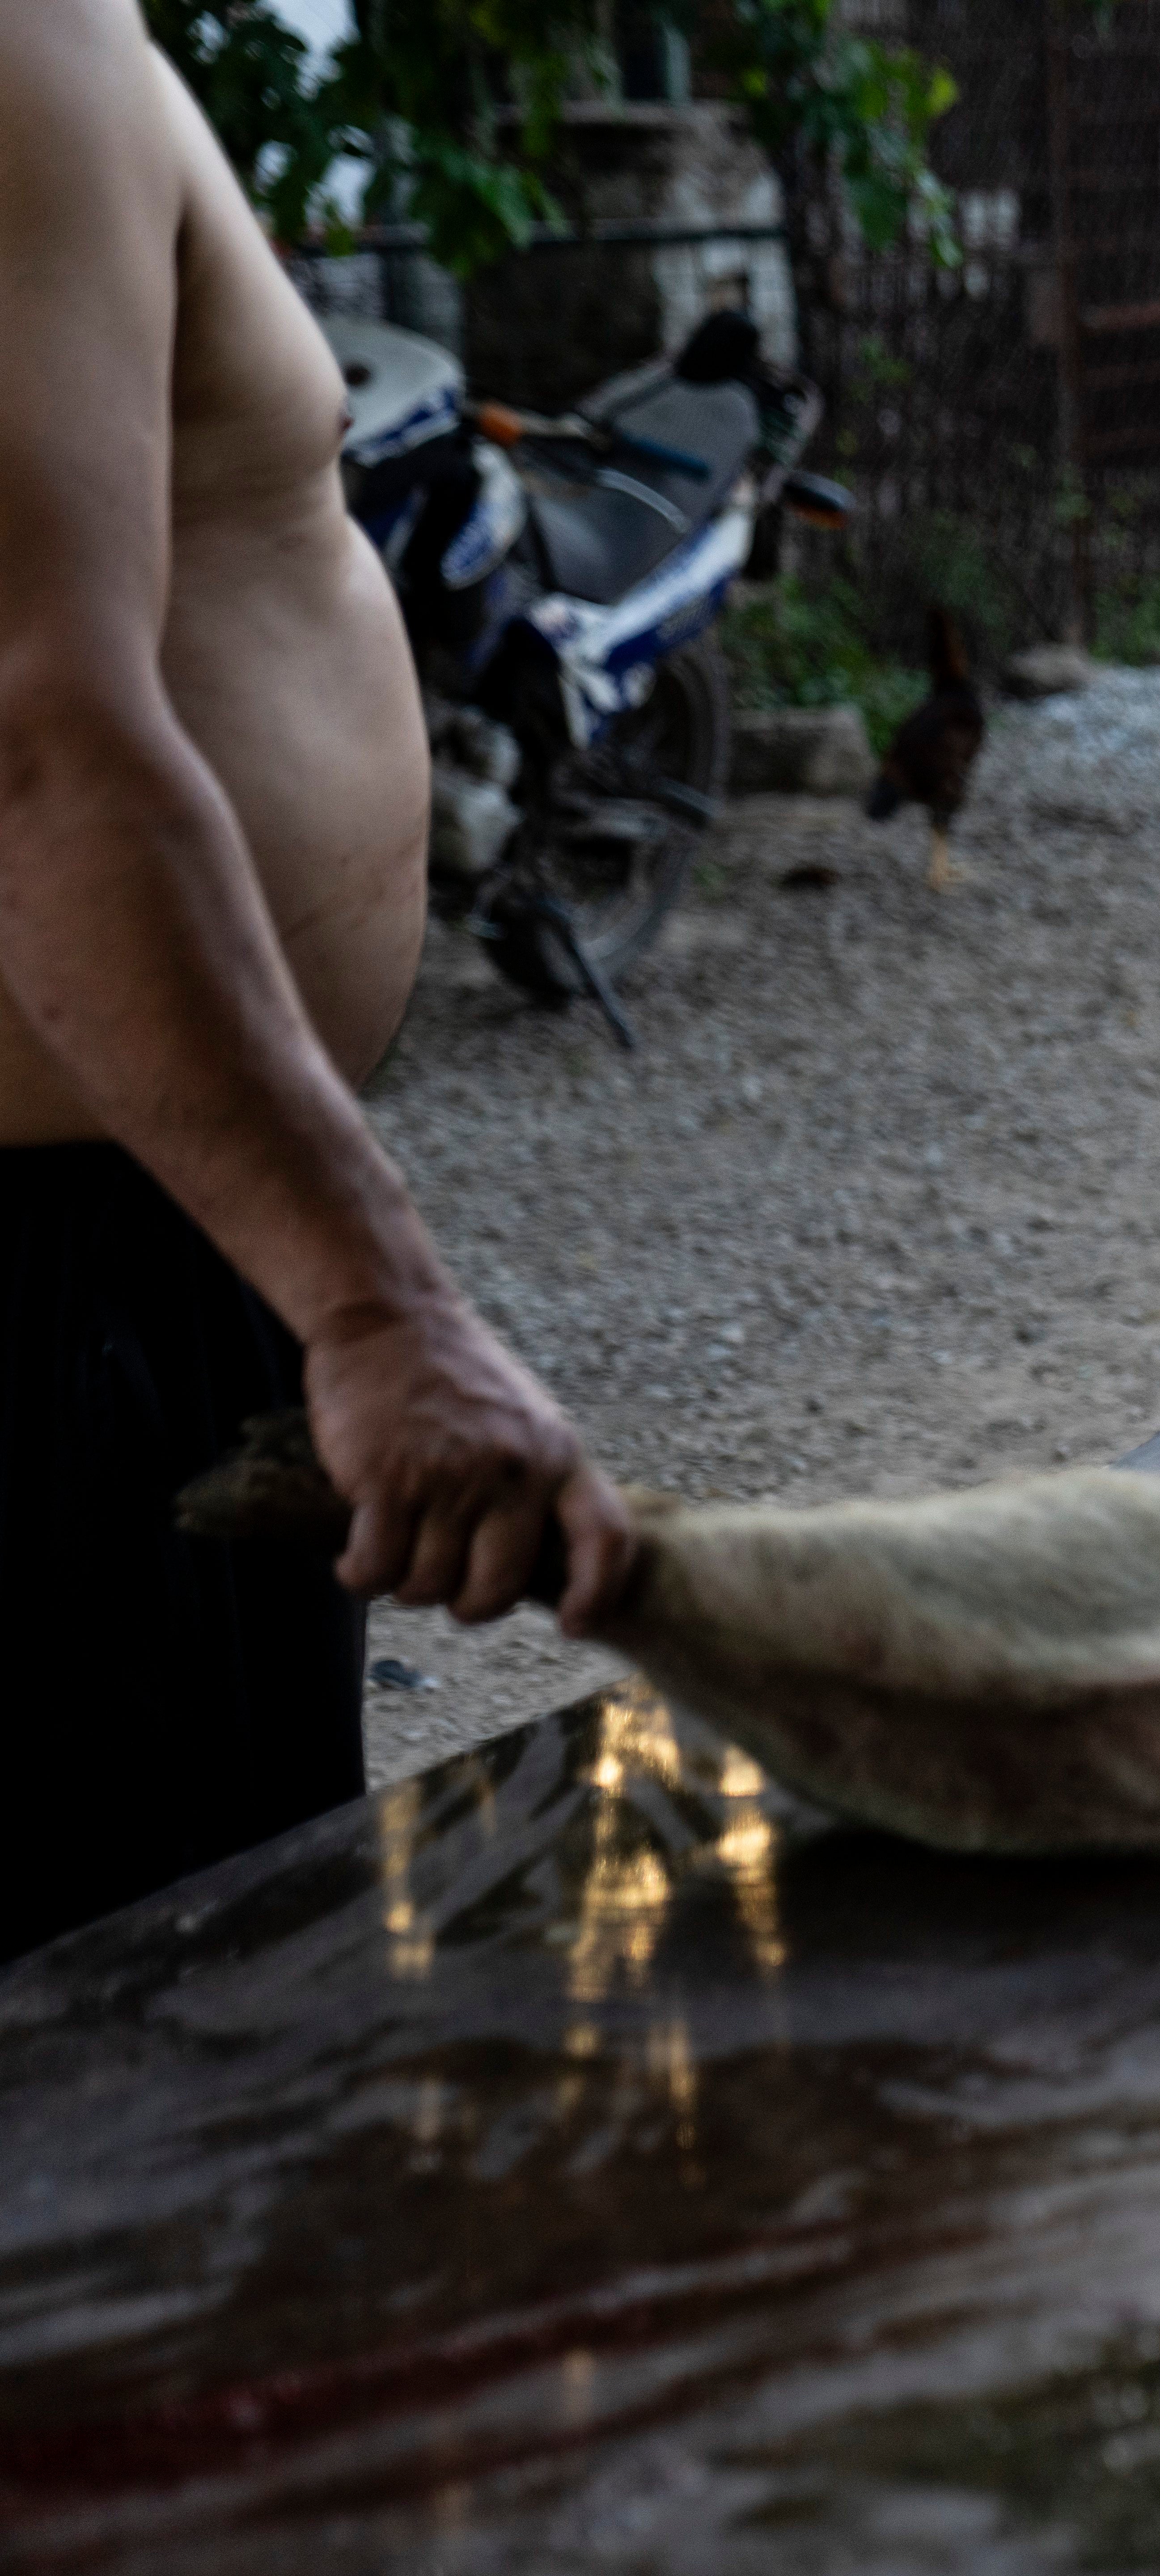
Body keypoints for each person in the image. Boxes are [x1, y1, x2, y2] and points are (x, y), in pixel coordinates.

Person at [0, 0, 634, 1964]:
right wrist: (376, 1308)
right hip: (77, 1275)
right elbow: (40, 744)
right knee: (155, 2062)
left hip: (98, 1227)